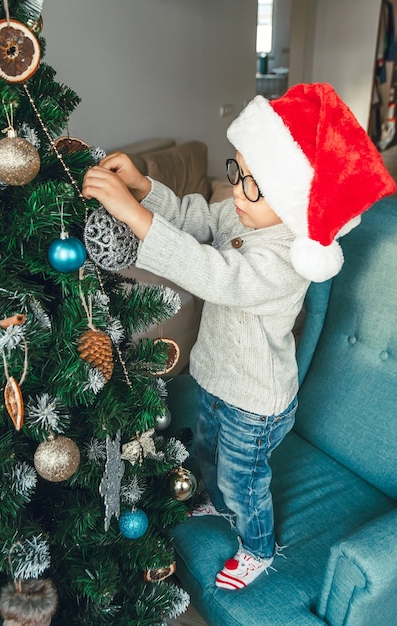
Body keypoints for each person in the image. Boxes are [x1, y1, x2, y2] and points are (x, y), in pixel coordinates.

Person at [82, 83, 395, 590]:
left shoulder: (286, 259)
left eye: (255, 184)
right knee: (206, 452)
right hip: (215, 374)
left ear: (295, 200)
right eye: (239, 173)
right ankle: (218, 502)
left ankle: (258, 547)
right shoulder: (240, 209)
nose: (238, 192)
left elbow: (216, 274)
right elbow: (194, 218)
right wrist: (146, 190)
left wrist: (134, 219)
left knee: (243, 480)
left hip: (256, 401)